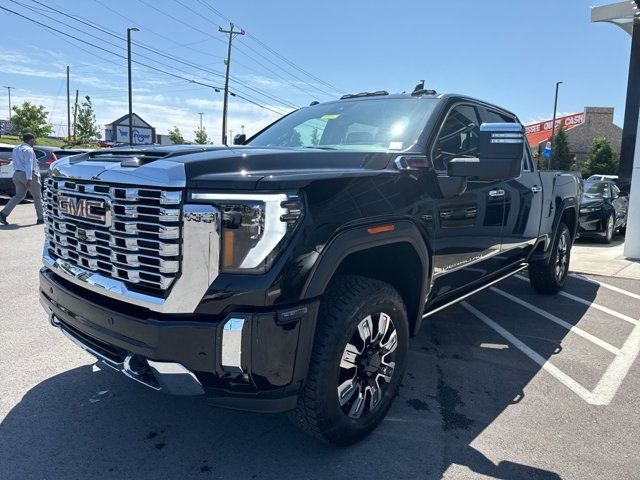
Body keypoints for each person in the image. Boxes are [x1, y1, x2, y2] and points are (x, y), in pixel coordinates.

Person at [0, 132, 44, 225]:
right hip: (28, 175)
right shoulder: (29, 150)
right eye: (34, 140)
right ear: (31, 140)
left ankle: (3, 214)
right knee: (37, 197)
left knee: (19, 196)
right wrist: (29, 178)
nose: (34, 142)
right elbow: (28, 164)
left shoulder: (16, 148)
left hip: (17, 174)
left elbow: (19, 161)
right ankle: (41, 218)